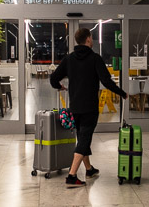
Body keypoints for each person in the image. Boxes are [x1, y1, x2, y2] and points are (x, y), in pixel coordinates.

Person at [50, 28, 127, 188]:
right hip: (90, 108)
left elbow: (53, 79)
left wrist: (60, 86)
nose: (92, 40)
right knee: (84, 140)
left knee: (82, 137)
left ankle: (89, 169)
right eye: (91, 38)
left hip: (75, 107)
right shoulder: (95, 58)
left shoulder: (69, 59)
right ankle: (72, 176)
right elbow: (106, 81)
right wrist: (122, 93)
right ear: (88, 39)